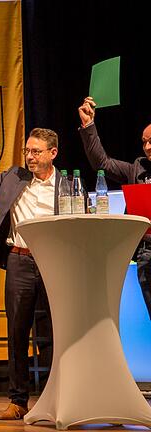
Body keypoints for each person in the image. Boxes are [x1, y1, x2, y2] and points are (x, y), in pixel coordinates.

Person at [0, 114, 57, 420]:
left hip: (55, 263)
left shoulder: (68, 184)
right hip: (19, 259)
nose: (30, 156)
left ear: (52, 153)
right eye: (28, 151)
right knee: (17, 331)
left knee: (54, 331)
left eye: (36, 151)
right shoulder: (13, 178)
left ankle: (56, 395)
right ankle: (18, 400)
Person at [79, 96, 151, 320]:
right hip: (148, 254)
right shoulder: (137, 170)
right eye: (144, 141)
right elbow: (102, 162)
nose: (147, 147)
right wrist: (88, 125)